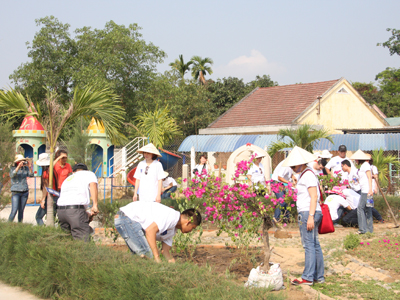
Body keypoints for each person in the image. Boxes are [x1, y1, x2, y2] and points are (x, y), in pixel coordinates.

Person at [283, 146, 324, 286]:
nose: (293, 168)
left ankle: (307, 277)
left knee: (309, 245)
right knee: (314, 244)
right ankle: (318, 275)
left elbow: (314, 196)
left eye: (294, 165)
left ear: (301, 163)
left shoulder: (308, 175)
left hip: (308, 212)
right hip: (310, 211)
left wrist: (311, 216)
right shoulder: (306, 174)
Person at [114, 201, 201, 263]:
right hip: (127, 218)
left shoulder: (172, 229)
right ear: (188, 222)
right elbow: (150, 231)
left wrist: (174, 267)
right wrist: (157, 257)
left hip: (126, 220)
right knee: (148, 256)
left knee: (141, 259)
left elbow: (166, 252)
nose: (191, 231)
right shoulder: (172, 217)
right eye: (192, 228)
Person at [56, 163, 99, 241]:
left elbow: (71, 198)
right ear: (87, 170)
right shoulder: (89, 174)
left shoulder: (69, 179)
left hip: (61, 211)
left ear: (73, 172)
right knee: (82, 242)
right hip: (75, 211)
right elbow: (93, 185)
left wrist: (85, 214)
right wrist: (95, 205)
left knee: (67, 240)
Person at [350, 150, 373, 234]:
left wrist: (370, 189)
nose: (356, 161)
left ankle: (362, 229)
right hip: (365, 189)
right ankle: (369, 230)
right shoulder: (363, 166)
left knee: (360, 208)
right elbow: (363, 179)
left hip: (366, 191)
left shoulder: (366, 165)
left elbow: (369, 177)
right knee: (368, 209)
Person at [8, 154, 34, 222]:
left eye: (23, 161)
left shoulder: (25, 168)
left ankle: (20, 225)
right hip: (16, 191)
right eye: (20, 161)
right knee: (14, 210)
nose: (22, 162)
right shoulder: (12, 167)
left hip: (24, 191)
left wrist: (29, 167)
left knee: (21, 210)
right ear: (17, 162)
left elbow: (31, 175)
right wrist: (18, 167)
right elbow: (12, 175)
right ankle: (8, 225)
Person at [35, 153, 53, 225]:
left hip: (48, 196)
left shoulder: (46, 173)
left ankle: (42, 230)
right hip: (55, 195)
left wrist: (43, 200)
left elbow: (46, 188)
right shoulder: (53, 170)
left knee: (38, 217)